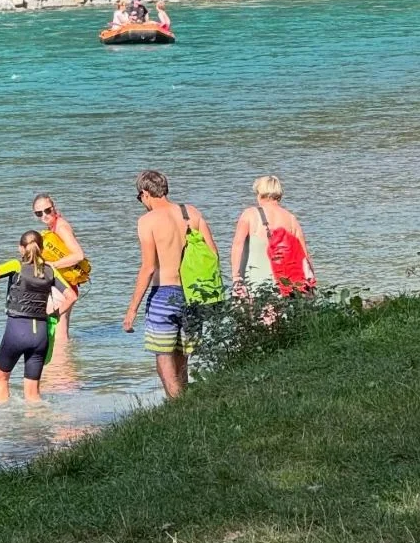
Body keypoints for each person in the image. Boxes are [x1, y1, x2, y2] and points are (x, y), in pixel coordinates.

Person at [122, 169, 218, 399]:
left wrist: (131, 310)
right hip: (193, 292)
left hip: (164, 293)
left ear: (145, 193)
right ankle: (185, 402)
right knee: (182, 354)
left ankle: (177, 407)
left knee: (163, 357)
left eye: (140, 198)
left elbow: (148, 268)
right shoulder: (191, 213)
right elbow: (212, 254)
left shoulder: (147, 221)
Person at [0, 226, 68, 402]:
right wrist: (54, 315)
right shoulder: (51, 270)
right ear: (42, 249)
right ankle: (41, 427)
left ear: (21, 248)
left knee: (0, 377)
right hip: (41, 334)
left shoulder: (16, 266)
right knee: (33, 395)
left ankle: (4, 424)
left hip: (17, 330)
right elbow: (70, 296)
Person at [231, 175, 314, 296]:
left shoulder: (250, 214)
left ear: (260, 194)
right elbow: (304, 255)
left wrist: (236, 277)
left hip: (255, 285)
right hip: (285, 285)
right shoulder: (291, 219)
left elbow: (237, 246)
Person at [31, 192, 87, 351]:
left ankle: (59, 370)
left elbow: (78, 255)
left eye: (48, 210)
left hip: (64, 287)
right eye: (39, 213)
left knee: (56, 334)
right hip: (65, 285)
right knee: (60, 333)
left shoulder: (61, 227)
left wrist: (51, 265)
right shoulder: (54, 226)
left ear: (54, 207)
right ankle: (66, 368)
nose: (44, 215)